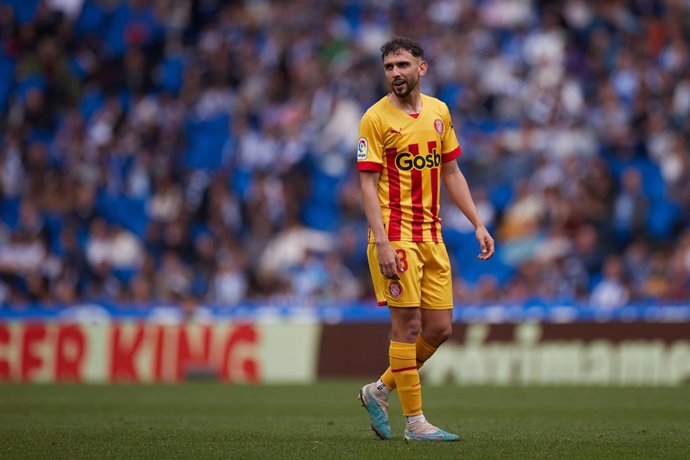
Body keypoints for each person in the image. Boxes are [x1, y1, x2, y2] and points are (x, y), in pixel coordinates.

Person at [356, 37, 494, 442]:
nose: (395, 73)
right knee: (408, 324)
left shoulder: (439, 112)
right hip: (394, 236)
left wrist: (478, 223)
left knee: (439, 329)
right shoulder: (374, 119)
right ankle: (415, 423)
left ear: (422, 68)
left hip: (431, 235)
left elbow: (451, 172)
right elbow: (367, 186)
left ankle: (378, 391)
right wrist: (381, 241)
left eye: (402, 65)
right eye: (389, 67)